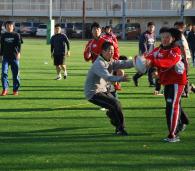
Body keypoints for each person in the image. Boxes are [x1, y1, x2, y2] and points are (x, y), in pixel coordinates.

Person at [145, 27, 188, 142]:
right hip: (166, 82)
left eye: (167, 37)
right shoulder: (158, 50)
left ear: (173, 38)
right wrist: (141, 60)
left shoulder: (176, 50)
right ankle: (183, 122)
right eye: (163, 37)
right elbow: (149, 57)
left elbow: (167, 63)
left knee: (171, 107)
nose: (164, 39)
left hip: (177, 82)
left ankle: (172, 135)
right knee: (173, 105)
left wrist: (152, 62)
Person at [84, 42, 134, 135]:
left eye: (113, 50)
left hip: (103, 90)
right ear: (103, 51)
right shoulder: (99, 63)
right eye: (110, 50)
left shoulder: (110, 61)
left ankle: (114, 120)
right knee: (116, 104)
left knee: (115, 106)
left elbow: (123, 63)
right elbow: (108, 77)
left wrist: (135, 62)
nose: (112, 52)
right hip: (93, 93)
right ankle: (120, 129)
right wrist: (120, 79)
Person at [0, 21, 22, 96]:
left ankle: (15, 90)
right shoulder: (3, 35)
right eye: (7, 26)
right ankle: (5, 89)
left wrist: (19, 53)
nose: (9, 27)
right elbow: (2, 46)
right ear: (5, 27)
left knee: (15, 74)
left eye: (10, 25)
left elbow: (19, 45)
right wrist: (1, 55)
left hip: (14, 57)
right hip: (5, 57)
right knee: (4, 73)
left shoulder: (16, 35)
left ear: (13, 27)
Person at [133, 22, 156, 87]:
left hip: (151, 54)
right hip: (144, 55)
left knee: (151, 68)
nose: (151, 28)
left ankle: (151, 82)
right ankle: (136, 77)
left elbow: (154, 44)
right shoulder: (144, 35)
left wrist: (154, 53)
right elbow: (142, 44)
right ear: (147, 27)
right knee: (145, 70)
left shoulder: (153, 35)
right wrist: (145, 53)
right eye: (150, 27)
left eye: (152, 27)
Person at [174, 21, 191, 98]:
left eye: (177, 27)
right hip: (184, 57)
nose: (176, 29)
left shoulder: (179, 35)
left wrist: (185, 61)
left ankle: (185, 91)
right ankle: (188, 89)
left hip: (183, 58)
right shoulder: (180, 35)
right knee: (183, 75)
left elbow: (182, 47)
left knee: (182, 76)